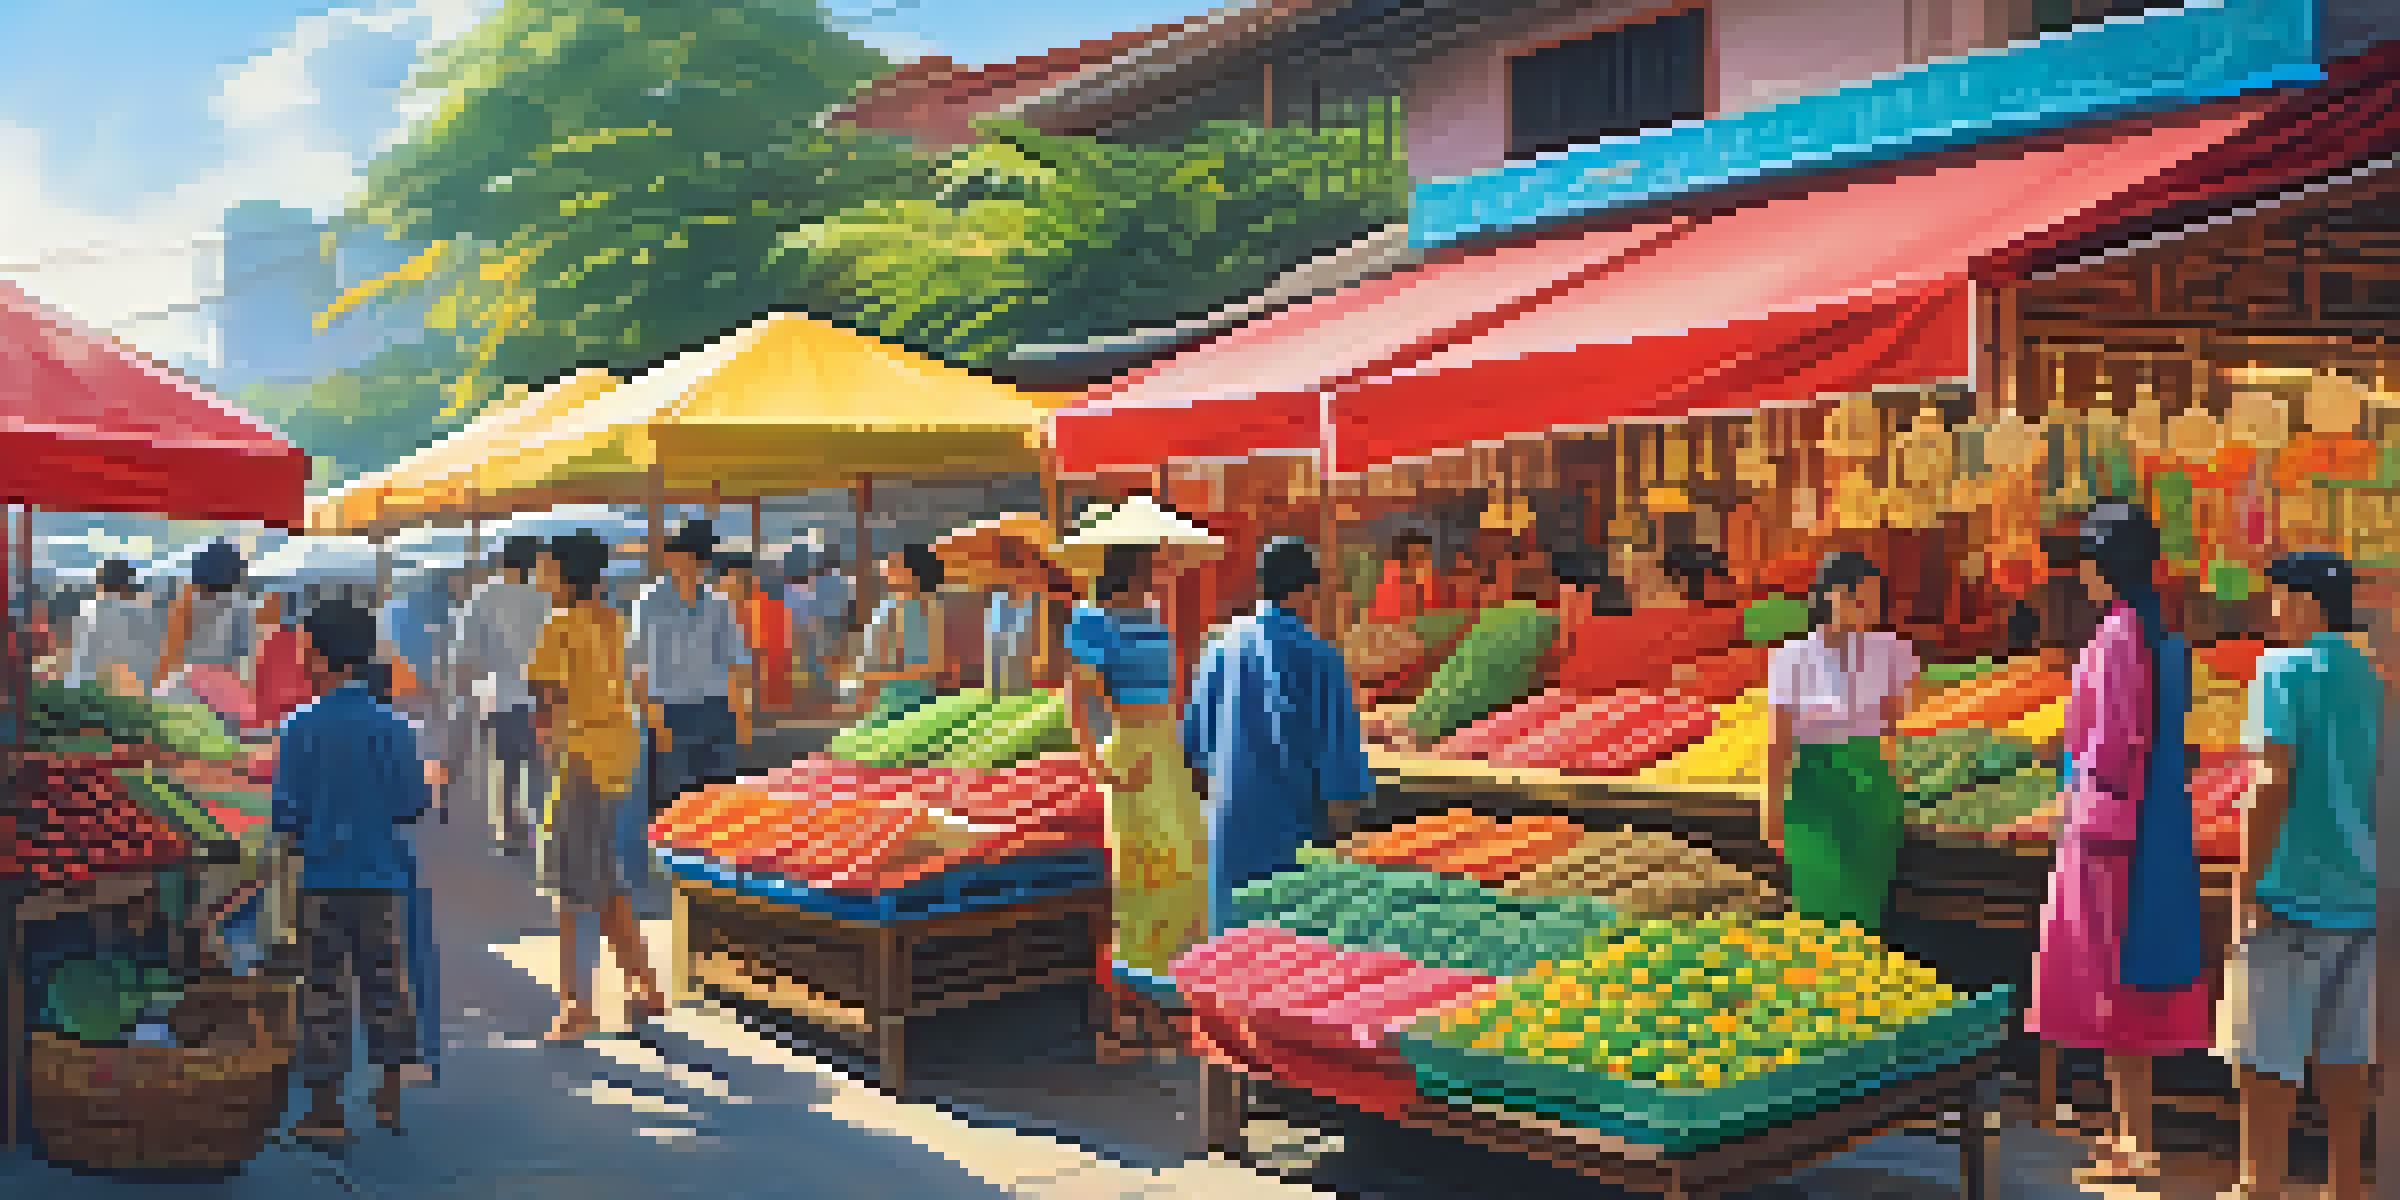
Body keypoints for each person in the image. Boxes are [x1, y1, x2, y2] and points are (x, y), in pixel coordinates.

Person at [2027, 500, 2212, 1186]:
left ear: (2103, 565)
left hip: (2110, 831)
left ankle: (2135, 1140)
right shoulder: (2163, 631)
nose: (2077, 576)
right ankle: (2132, 1129)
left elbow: (2109, 743)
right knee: (2136, 981)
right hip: (2156, 822)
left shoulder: (2115, 635)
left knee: (2111, 982)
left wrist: (2072, 796)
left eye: (2084, 562)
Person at [2217, 552, 2383, 1200]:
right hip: (2363, 900)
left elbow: (2271, 779)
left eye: (2280, 600)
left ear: (2308, 606)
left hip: (2291, 896)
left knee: (2264, 1060)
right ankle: (2345, 1186)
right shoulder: (2372, 675)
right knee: (2347, 1062)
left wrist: (2244, 883)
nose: (2272, 613)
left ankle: (2260, 1187)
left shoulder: (2281, 668)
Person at [273, 599, 431, 1143]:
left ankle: (325, 1111)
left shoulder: (298, 727)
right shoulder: (395, 727)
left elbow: (285, 816)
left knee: (321, 988)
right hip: (381, 873)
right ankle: (389, 1093)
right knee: (385, 982)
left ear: (315, 657)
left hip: (319, 877)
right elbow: (412, 803)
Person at [1186, 536, 1375, 934]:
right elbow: (1342, 784)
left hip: (1225, 845)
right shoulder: (1320, 658)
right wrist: (1345, 857)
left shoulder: (1218, 649)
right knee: (1284, 976)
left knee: (1223, 973)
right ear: (1308, 591)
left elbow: (1196, 761)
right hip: (1291, 851)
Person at [1065, 540, 1207, 1058]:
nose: (1157, 578)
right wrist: (1096, 762)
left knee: (1189, 870)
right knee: (1142, 878)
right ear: (1129, 575)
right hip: (1129, 751)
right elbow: (1076, 697)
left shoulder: (1154, 618)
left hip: (1166, 750)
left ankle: (1166, 1000)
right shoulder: (1091, 623)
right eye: (1150, 570)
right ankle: (1131, 1017)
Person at [526, 531, 666, 1042]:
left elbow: (549, 699)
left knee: (571, 886)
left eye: (544, 566)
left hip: (579, 756)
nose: (538, 575)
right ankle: (644, 984)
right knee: (602, 874)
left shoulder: (558, 625)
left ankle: (576, 1007)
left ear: (564, 572)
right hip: (618, 751)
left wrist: (550, 755)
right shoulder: (612, 617)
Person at [1762, 552, 1920, 934]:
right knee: (1818, 904)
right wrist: (1772, 806)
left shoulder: (1893, 650)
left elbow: (1895, 727)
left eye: (1875, 600)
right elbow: (1780, 738)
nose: (1871, 609)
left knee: (1866, 906)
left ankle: (1860, 984)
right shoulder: (1792, 656)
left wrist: (1898, 788)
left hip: (1872, 786)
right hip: (1814, 786)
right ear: (1833, 597)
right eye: (1861, 599)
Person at [631, 521, 753, 818]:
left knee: (718, 804)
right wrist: (655, 721)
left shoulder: (719, 604)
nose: (684, 563)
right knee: (674, 807)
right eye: (677, 554)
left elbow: (737, 663)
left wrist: (741, 717)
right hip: (670, 713)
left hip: (716, 711)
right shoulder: (649, 602)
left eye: (693, 557)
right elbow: (639, 668)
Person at [450, 536, 556, 857]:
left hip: (497, 697)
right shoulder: (546, 597)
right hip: (542, 698)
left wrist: (467, 696)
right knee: (540, 770)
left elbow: (465, 655)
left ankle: (508, 834)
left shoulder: (483, 597)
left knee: (505, 769)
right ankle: (544, 836)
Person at [850, 545, 946, 728]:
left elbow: (927, 667)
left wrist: (874, 679)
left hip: (903, 702)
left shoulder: (922, 610)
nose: (885, 567)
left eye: (895, 563)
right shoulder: (891, 604)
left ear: (913, 574)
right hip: (881, 698)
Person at [984, 538, 1071, 696]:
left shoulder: (1043, 600)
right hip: (1006, 680)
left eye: (1021, 565)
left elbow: (1051, 644)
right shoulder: (998, 600)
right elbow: (995, 644)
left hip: (1039, 682)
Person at [65, 558, 158, 693]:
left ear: (100, 584)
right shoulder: (144, 613)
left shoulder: (88, 610)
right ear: (128, 584)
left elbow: (79, 661)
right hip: (135, 693)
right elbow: (150, 662)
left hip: (91, 691)